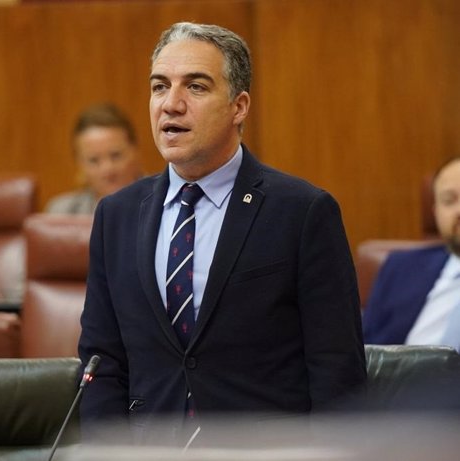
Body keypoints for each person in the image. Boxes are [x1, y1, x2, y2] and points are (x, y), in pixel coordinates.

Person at [77, 22, 366, 444]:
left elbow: (336, 370)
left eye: (195, 87)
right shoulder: (116, 216)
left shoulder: (302, 212)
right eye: (159, 87)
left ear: (239, 105)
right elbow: (103, 364)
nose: (170, 105)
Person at [363, 156, 460, 349]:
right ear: (435, 212)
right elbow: (364, 351)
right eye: (449, 200)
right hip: (395, 378)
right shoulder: (400, 267)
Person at [45, 103, 142, 214]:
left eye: (116, 156)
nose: (107, 169)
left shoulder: (161, 203)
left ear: (134, 151)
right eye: (94, 160)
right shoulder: (61, 213)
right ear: (79, 163)